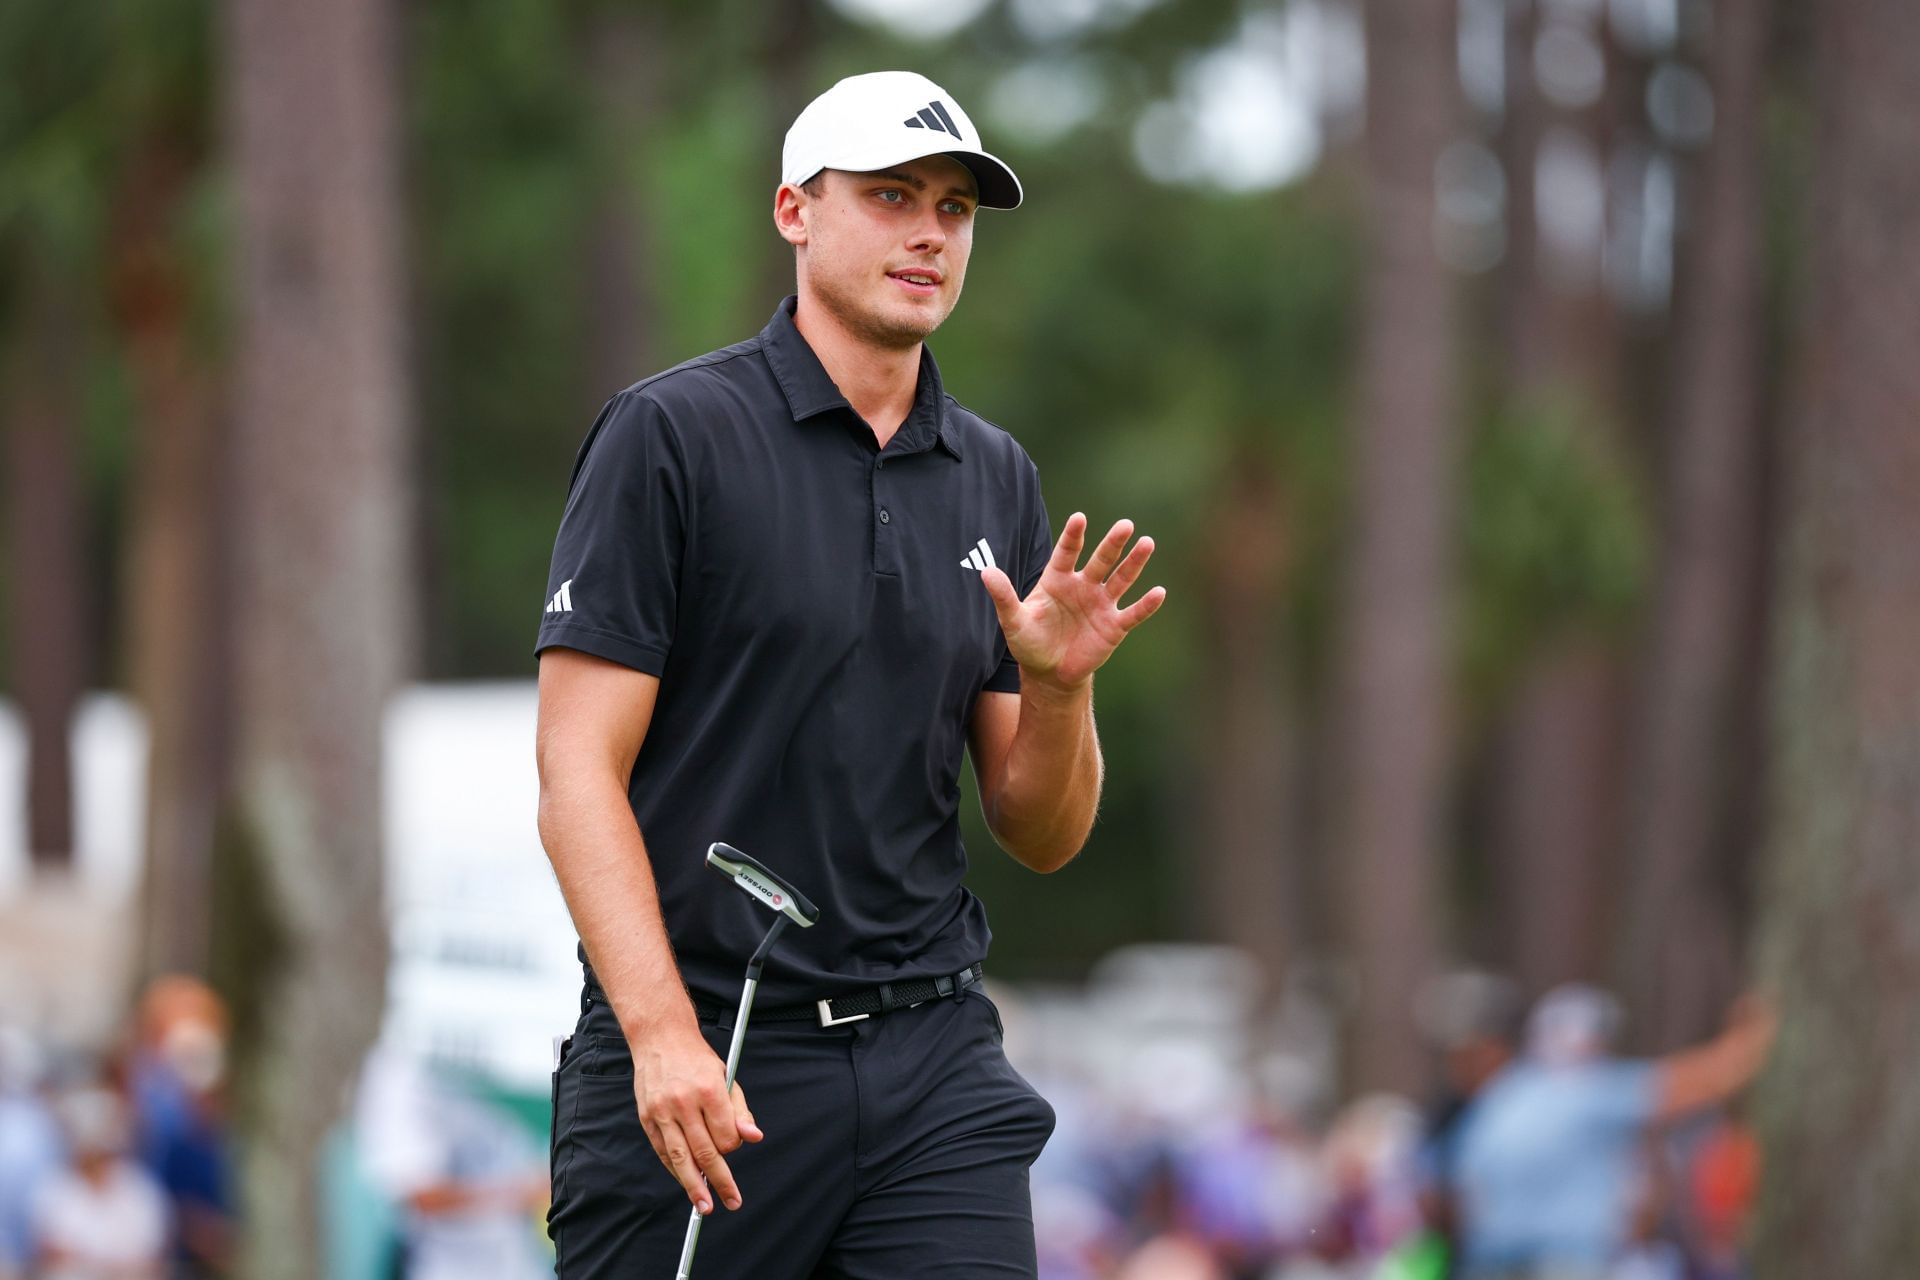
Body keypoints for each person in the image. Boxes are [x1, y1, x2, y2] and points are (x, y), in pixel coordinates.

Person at [533, 69, 1166, 1277]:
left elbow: (1040, 830)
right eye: (890, 196)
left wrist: (1061, 689)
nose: (930, 231)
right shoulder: (670, 436)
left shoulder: (994, 475)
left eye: (955, 209)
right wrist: (661, 1035)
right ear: (795, 212)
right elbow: (575, 770)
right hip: (709, 1054)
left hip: (933, 1062)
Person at [1449, 986, 1776, 1280]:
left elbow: (1456, 1193)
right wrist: (1758, 1027)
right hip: (1564, 1265)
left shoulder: (1500, 1099)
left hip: (1486, 1265)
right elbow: (1707, 1081)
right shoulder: (1584, 1090)